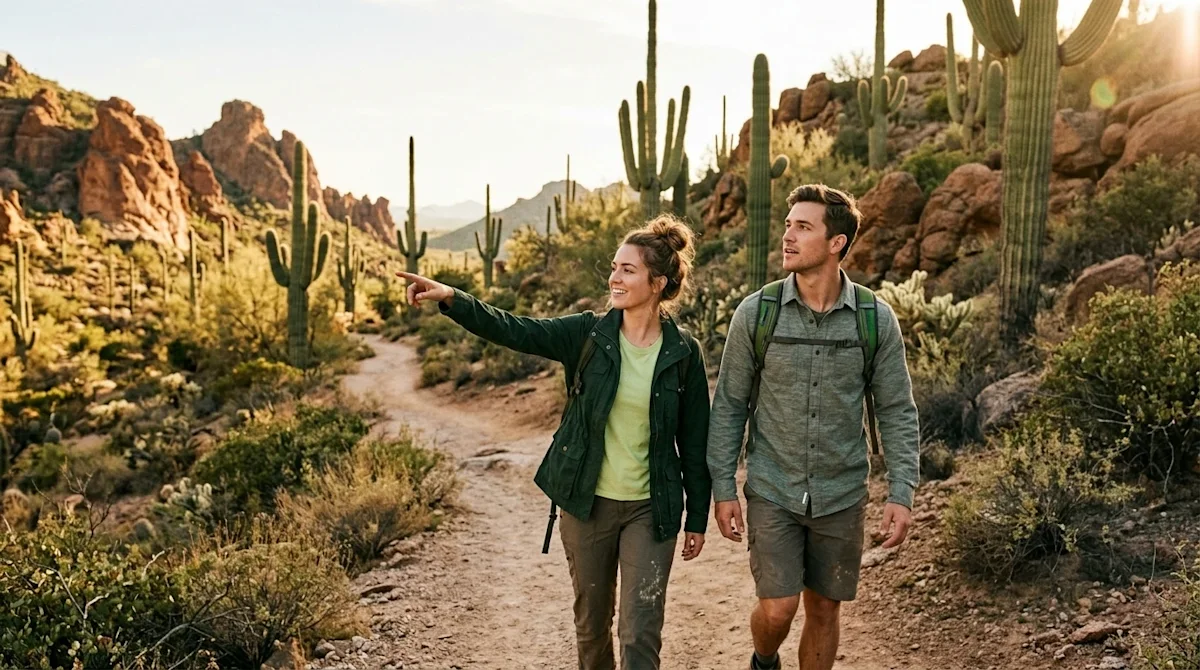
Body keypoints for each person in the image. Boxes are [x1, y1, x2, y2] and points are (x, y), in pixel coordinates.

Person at [399, 215, 712, 670]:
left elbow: (695, 440)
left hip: (652, 507)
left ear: (658, 282)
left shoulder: (683, 352)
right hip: (586, 503)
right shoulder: (588, 333)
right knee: (591, 625)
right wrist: (453, 298)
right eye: (614, 266)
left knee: (640, 629)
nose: (614, 277)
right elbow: (516, 329)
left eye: (627, 269)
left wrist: (697, 516)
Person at [706, 184, 920, 670]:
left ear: (836, 243)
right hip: (773, 488)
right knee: (779, 609)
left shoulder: (874, 320)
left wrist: (901, 491)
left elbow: (897, 410)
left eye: (803, 227)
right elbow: (730, 407)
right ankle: (764, 660)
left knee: (824, 608)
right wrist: (723, 487)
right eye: (787, 225)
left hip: (842, 492)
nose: (788, 235)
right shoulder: (755, 314)